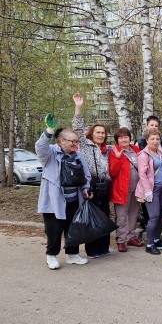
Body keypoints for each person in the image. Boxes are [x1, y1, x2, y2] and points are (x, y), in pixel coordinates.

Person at [36, 115, 91, 270]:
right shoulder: (50, 154)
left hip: (74, 199)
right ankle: (51, 255)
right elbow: (40, 147)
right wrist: (49, 130)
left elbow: (85, 175)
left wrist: (86, 189)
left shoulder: (78, 156)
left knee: (73, 228)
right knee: (54, 229)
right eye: (72, 141)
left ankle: (72, 254)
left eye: (76, 141)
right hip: (55, 201)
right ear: (61, 140)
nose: (75, 144)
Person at [72, 93, 112, 258]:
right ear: (91, 134)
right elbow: (77, 129)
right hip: (92, 184)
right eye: (98, 132)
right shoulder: (85, 145)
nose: (101, 135)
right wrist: (78, 107)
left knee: (104, 216)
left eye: (103, 133)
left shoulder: (107, 150)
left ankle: (104, 246)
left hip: (104, 186)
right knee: (92, 216)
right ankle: (92, 248)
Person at [136, 128, 162, 255]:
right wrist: (147, 191)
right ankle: (149, 244)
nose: (155, 141)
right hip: (152, 189)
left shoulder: (160, 152)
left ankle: (156, 239)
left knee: (161, 215)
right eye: (152, 139)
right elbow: (142, 174)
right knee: (154, 216)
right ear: (147, 140)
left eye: (157, 139)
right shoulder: (144, 155)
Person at [108, 127, 142, 253]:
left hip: (136, 189)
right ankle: (121, 240)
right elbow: (112, 172)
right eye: (120, 137)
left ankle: (131, 237)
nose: (123, 139)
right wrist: (117, 158)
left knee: (134, 214)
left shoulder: (135, 149)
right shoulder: (114, 152)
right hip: (122, 190)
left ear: (129, 138)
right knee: (122, 216)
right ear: (117, 140)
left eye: (126, 137)